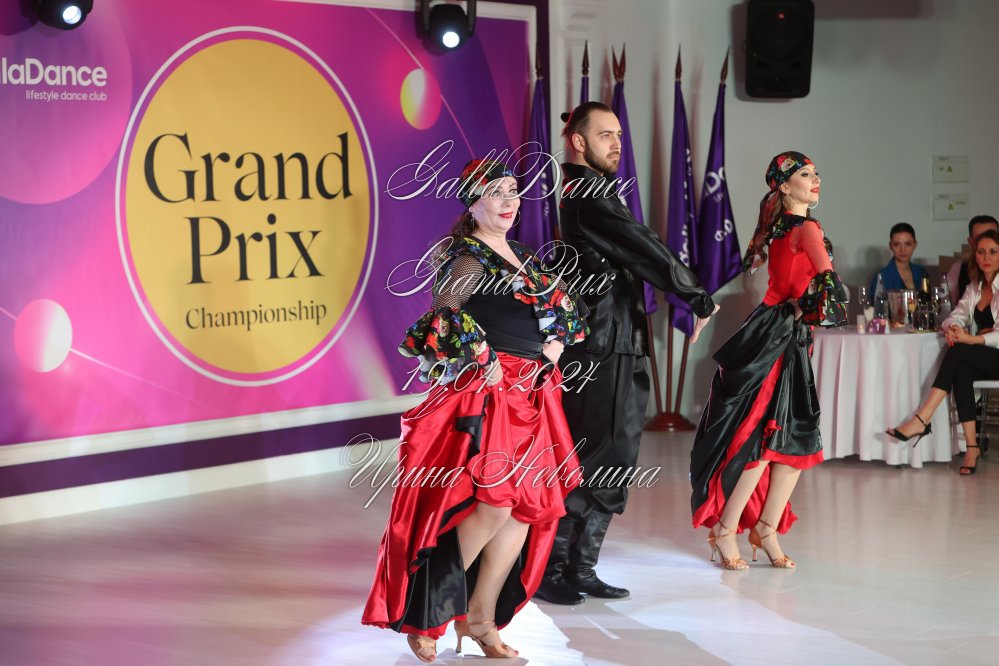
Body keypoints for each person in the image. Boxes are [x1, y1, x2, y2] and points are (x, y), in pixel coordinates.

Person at [362, 159, 588, 661]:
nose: (509, 201)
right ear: (472, 202)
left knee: (525, 509)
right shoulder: (466, 257)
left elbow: (564, 310)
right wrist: (481, 355)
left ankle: (481, 621)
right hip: (488, 394)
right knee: (493, 505)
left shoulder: (523, 255)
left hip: (532, 391)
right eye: (495, 192)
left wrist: (555, 344)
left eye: (513, 191)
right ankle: (429, 613)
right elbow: (442, 314)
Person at [533, 102, 718, 606]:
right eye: (605, 135)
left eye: (618, 134)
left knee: (614, 459)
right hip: (600, 347)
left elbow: (635, 249)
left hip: (618, 340)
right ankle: (551, 569)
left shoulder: (596, 191)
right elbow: (644, 245)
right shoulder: (585, 192)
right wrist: (695, 294)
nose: (617, 144)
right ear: (578, 141)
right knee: (593, 458)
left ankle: (581, 567)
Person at [689, 151, 847, 570]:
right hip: (779, 338)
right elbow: (827, 282)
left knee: (791, 438)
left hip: (782, 333)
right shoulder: (806, 227)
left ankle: (766, 527)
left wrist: (808, 308)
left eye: (816, 172)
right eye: (805, 174)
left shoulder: (780, 227)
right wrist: (816, 304)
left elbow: (808, 287)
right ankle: (727, 528)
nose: (815, 179)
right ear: (784, 185)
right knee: (767, 437)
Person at [888, 229, 999, 475]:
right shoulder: (976, 286)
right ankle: (971, 447)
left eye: (993, 251)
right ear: (975, 255)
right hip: (985, 355)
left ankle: (922, 419)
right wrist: (953, 328)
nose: (986, 257)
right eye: (981, 252)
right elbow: (955, 315)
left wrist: (970, 338)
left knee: (960, 351)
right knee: (962, 368)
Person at [947, 215, 999, 305]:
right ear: (970, 242)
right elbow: (946, 304)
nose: (986, 243)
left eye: (991, 236)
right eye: (980, 238)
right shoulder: (960, 270)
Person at [869, 222, 928, 294]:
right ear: (890, 246)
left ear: (915, 245)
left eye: (908, 244)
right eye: (897, 244)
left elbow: (927, 299)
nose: (902, 250)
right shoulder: (881, 277)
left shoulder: (921, 272)